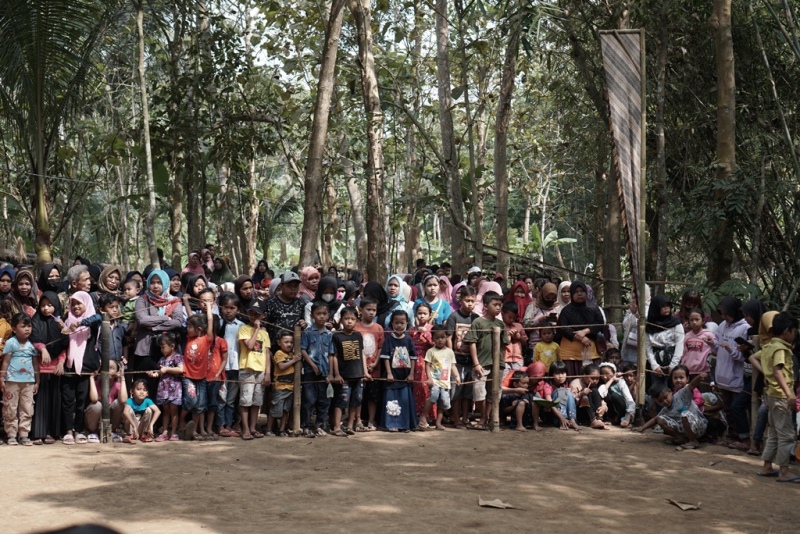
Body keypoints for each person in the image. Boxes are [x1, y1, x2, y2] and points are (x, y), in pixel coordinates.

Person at [755, 312, 798, 482]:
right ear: (787, 331)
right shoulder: (781, 349)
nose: (795, 335)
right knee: (786, 434)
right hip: (780, 396)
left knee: (773, 432)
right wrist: (789, 394)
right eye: (794, 331)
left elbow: (753, 357)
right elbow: (778, 371)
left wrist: (766, 374)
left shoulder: (768, 346)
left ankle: (767, 466)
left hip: (770, 395)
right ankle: (784, 471)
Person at [463, 290, 509, 430]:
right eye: (495, 304)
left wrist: (502, 362)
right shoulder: (478, 322)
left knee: (494, 393)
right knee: (479, 392)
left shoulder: (501, 324)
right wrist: (476, 363)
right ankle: (483, 416)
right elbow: (472, 343)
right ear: (485, 305)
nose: (498, 307)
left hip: (497, 364)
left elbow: (503, 346)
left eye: (500, 305)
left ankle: (487, 418)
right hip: (482, 364)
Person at [134, 270, 184, 397]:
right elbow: (142, 320)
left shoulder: (174, 301)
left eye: (159, 283)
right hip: (145, 351)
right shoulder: (142, 300)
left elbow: (178, 322)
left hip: (168, 351)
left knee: (167, 387)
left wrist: (154, 327)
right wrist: (165, 318)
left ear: (165, 284)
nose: (155, 286)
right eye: (152, 282)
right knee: (145, 386)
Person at [61, 291, 101, 445]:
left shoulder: (93, 321)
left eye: (79, 303)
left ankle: (79, 430)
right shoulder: (67, 321)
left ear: (87, 304)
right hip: (69, 366)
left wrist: (81, 323)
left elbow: (98, 318)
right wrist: (66, 330)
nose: (76, 307)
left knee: (81, 400)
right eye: (73, 304)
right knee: (68, 400)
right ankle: (68, 431)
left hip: (85, 367)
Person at [30, 291, 69, 445]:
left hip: (55, 369)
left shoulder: (60, 322)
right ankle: (38, 433)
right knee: (40, 402)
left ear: (56, 306)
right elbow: (33, 339)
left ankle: (52, 433)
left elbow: (65, 345)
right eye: (43, 305)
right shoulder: (35, 320)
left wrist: (61, 362)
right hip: (39, 368)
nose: (46, 308)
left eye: (50, 305)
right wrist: (43, 349)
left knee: (54, 401)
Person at [712, 296, 751, 449]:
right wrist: (712, 344)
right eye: (722, 314)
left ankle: (742, 437)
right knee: (727, 408)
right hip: (722, 375)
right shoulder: (722, 325)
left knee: (737, 408)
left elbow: (743, 356)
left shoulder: (745, 328)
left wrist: (730, 350)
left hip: (736, 375)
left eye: (726, 313)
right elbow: (717, 348)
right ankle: (731, 435)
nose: (724, 317)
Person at [634, 373, 709, 450]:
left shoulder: (681, 394)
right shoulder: (665, 410)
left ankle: (693, 441)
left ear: (670, 391)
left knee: (685, 414)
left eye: (665, 397)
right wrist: (643, 428)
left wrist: (699, 377)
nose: (665, 401)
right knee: (660, 419)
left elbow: (691, 385)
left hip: (699, 425)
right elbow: (655, 419)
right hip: (685, 430)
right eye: (660, 401)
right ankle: (681, 439)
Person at [1, 312, 40, 445]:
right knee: (10, 407)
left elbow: (36, 364)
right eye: (23, 326)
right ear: (14, 329)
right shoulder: (10, 343)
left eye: (29, 326)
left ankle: (24, 434)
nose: (27, 329)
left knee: (27, 408)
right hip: (11, 381)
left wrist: (37, 381)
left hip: (28, 382)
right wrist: (1, 378)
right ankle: (11, 434)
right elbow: (6, 362)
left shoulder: (32, 345)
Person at [330, 307, 367, 436]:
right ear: (341, 320)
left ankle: (350, 425)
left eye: (352, 319)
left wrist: (365, 372)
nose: (349, 321)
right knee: (341, 401)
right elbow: (334, 356)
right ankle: (336, 427)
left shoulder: (358, 335)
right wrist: (336, 374)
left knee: (356, 401)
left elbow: (362, 354)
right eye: (346, 318)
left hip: (358, 374)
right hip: (344, 375)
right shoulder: (337, 336)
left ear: (357, 321)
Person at [555, 281, 605, 377]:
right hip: (570, 353)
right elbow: (562, 328)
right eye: (576, 292)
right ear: (572, 294)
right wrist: (580, 337)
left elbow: (600, 323)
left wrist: (585, 331)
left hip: (591, 350)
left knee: (592, 378)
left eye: (582, 291)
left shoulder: (593, 307)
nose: (579, 294)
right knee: (572, 379)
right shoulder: (566, 310)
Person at [445, 285, 478, 428]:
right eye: (467, 300)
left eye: (472, 301)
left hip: (470, 361)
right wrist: (451, 358)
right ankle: (456, 418)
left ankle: (465, 418)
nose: (470, 304)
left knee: (468, 392)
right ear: (460, 300)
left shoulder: (476, 319)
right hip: (456, 361)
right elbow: (448, 338)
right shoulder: (454, 317)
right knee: (455, 390)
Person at [238, 299, 271, 440]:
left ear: (263, 315)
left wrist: (268, 373)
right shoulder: (244, 329)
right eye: (251, 313)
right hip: (247, 369)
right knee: (246, 400)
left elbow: (267, 354)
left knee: (257, 401)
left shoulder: (266, 334)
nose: (253, 316)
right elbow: (250, 345)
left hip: (260, 370)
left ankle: (253, 427)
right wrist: (257, 329)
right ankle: (245, 429)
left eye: (257, 314)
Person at [380, 309, 417, 433]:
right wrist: (389, 373)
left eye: (402, 323)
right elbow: (385, 357)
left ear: (407, 323)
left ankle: (405, 424)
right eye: (396, 323)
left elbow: (413, 358)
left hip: (405, 377)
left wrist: (411, 374)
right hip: (392, 377)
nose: (399, 325)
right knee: (392, 401)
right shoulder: (389, 339)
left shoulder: (409, 340)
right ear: (392, 323)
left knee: (404, 400)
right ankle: (392, 424)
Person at [301, 301, 334, 438]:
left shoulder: (329, 334)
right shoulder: (307, 332)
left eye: (324, 314)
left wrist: (331, 373)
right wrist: (313, 365)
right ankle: (305, 426)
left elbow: (331, 354)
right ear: (312, 315)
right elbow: (303, 350)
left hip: (325, 372)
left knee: (324, 401)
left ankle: (320, 425)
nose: (321, 316)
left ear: (328, 315)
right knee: (309, 400)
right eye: (318, 313)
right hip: (310, 371)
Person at [181, 306, 214, 441]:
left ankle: (193, 430)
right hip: (188, 377)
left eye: (190, 326)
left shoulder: (207, 339)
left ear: (199, 329)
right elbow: (191, 316)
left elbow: (210, 320)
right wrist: (186, 302)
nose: (187, 328)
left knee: (199, 406)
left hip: (201, 378)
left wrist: (209, 306)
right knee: (191, 401)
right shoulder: (189, 338)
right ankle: (181, 422)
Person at [355, 296, 384, 432]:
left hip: (374, 368)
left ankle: (371, 420)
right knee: (358, 396)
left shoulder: (379, 328)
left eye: (374, 310)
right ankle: (358, 420)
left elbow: (380, 348)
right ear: (361, 310)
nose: (372, 312)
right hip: (358, 369)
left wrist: (375, 363)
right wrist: (362, 366)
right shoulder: (355, 327)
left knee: (373, 397)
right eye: (368, 309)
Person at [423, 325, 459, 430]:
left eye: (442, 337)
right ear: (432, 338)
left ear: (446, 337)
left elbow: (453, 365)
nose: (440, 340)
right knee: (433, 397)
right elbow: (427, 365)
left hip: (445, 382)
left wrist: (457, 376)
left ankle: (438, 423)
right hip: (434, 381)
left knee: (443, 402)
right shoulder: (431, 351)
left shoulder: (450, 352)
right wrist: (429, 378)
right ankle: (423, 417)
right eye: (437, 337)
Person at [217, 292, 244, 438]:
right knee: (221, 398)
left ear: (238, 310)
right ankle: (220, 425)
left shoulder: (242, 326)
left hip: (236, 367)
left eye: (232, 308)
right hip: (221, 368)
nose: (228, 311)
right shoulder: (218, 324)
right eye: (226, 307)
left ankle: (228, 425)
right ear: (221, 308)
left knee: (231, 400)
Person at [149, 332, 183, 442]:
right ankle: (164, 431)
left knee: (174, 411)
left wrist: (167, 369)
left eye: (163, 347)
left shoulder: (178, 357)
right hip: (164, 389)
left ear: (172, 346)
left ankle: (173, 432)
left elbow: (181, 369)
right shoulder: (162, 359)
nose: (161, 349)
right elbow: (159, 373)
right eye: (160, 347)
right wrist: (153, 374)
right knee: (166, 411)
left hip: (174, 388)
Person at [85, 360, 128, 443]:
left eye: (111, 368)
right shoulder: (96, 383)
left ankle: (112, 431)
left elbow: (123, 400)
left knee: (119, 403)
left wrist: (122, 378)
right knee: (96, 405)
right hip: (95, 420)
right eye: (105, 367)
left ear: (116, 371)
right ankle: (93, 432)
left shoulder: (117, 385)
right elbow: (94, 399)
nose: (108, 371)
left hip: (109, 419)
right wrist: (91, 378)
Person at [645, 295, 685, 382]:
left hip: (672, 359)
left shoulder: (676, 324)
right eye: (663, 306)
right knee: (656, 386)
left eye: (668, 306)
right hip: (655, 361)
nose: (666, 308)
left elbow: (679, 345)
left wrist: (673, 366)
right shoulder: (650, 326)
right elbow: (647, 347)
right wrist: (654, 366)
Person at [269, 330, 301, 437]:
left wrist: (294, 358)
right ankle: (269, 429)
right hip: (280, 387)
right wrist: (294, 360)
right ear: (279, 343)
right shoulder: (279, 353)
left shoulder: (292, 354)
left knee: (285, 410)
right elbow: (281, 366)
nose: (289, 344)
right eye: (286, 342)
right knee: (275, 409)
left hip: (290, 387)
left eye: (291, 342)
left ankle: (282, 429)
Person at [409, 302, 434, 424]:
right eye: (420, 313)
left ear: (430, 315)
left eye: (425, 313)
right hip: (413, 361)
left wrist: (425, 333)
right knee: (415, 387)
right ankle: (415, 414)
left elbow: (434, 344)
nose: (422, 316)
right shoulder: (412, 330)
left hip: (428, 361)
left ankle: (429, 415)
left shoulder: (432, 329)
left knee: (427, 387)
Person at [522, 282, 560, 356]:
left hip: (553, 345)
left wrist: (557, 320)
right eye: (547, 298)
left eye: (553, 298)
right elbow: (525, 325)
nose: (550, 300)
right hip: (535, 345)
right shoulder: (533, 306)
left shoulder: (558, 307)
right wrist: (539, 320)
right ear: (542, 295)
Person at [569, 364, 608, 430]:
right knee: (587, 393)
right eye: (592, 378)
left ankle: (599, 419)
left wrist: (604, 406)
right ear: (584, 376)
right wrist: (581, 394)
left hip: (590, 412)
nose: (595, 381)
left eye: (597, 379)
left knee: (594, 391)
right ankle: (593, 420)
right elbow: (571, 402)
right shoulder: (575, 383)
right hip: (578, 413)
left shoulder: (595, 385)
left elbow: (600, 399)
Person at [681, 308, 716, 378]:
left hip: (704, 372)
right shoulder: (687, 335)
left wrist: (712, 344)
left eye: (697, 319)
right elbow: (685, 353)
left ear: (703, 320)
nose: (694, 322)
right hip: (689, 371)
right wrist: (683, 367)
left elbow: (715, 350)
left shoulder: (709, 335)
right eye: (691, 320)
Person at [598, 362, 635, 427]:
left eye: (607, 374)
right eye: (602, 374)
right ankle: (610, 418)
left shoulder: (620, 382)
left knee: (613, 395)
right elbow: (600, 393)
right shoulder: (601, 384)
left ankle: (619, 418)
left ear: (614, 373)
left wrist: (627, 419)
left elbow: (630, 402)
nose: (604, 377)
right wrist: (612, 379)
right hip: (610, 410)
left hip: (622, 409)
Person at [549, 361, 579, 431]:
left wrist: (576, 394)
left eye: (563, 373)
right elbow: (550, 403)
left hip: (568, 415)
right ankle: (562, 421)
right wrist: (562, 418)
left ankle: (572, 420)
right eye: (557, 373)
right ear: (551, 374)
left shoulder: (566, 386)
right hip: (553, 415)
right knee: (560, 391)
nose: (560, 376)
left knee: (569, 393)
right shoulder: (548, 386)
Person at [501, 301, 527, 376]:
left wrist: (519, 337)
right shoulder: (500, 326)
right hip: (505, 359)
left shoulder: (519, 326)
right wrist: (508, 336)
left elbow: (525, 343)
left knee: (517, 379)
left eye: (514, 318)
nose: (512, 320)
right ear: (503, 314)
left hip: (518, 359)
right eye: (509, 317)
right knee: (505, 379)